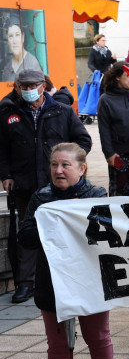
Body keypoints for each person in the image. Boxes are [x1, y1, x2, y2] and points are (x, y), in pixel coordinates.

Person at [18, 143, 120, 359]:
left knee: (97, 336)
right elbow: (25, 237)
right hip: (52, 282)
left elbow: (107, 236)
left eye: (65, 165)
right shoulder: (41, 198)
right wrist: (53, 225)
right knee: (58, 341)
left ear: (82, 168)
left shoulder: (96, 195)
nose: (58, 170)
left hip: (90, 280)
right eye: (54, 165)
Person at [0, 70, 92, 303]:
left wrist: (72, 165)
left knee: (62, 231)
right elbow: (2, 148)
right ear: (18, 88)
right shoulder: (10, 113)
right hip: (24, 184)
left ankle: (65, 278)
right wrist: (6, 175)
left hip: (59, 185)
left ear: (43, 86)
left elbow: (83, 141)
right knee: (28, 231)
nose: (28, 90)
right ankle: (26, 283)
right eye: (23, 86)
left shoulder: (61, 111)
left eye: (32, 85)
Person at [97, 62, 129, 196]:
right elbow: (104, 129)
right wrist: (109, 154)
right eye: (128, 75)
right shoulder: (105, 100)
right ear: (117, 77)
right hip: (120, 155)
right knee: (120, 195)